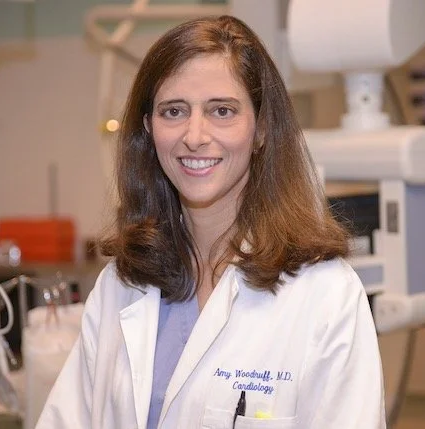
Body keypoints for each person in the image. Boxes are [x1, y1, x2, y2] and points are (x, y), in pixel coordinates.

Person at [36, 15, 386, 429]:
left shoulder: (325, 295)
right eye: (174, 111)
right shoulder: (121, 286)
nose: (195, 135)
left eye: (222, 110)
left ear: (261, 130)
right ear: (148, 129)